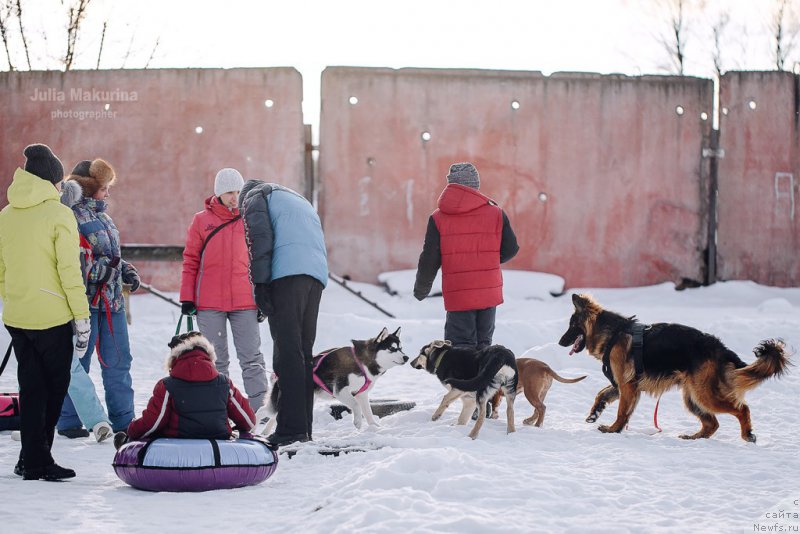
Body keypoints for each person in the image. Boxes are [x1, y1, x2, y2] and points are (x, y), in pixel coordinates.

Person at [0, 144, 90, 480]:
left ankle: (30, 458)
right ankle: (38, 460)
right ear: (50, 180)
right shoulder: (59, 214)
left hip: (18, 315)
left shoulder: (6, 215)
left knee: (31, 388)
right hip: (52, 317)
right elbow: (69, 271)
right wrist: (81, 318)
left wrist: (15, 298)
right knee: (53, 389)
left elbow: (2, 269)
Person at [239, 180, 328, 447]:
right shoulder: (295, 199)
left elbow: (260, 241)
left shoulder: (255, 197)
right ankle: (303, 428)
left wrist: (261, 285)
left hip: (286, 275)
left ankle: (290, 431)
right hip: (315, 276)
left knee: (287, 353)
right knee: (302, 354)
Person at [56, 158, 139, 437]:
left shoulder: (104, 217)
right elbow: (72, 260)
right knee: (79, 364)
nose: (107, 193)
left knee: (119, 362)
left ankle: (124, 421)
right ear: (89, 188)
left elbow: (114, 255)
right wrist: (101, 270)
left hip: (112, 303)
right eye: (103, 188)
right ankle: (69, 421)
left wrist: (126, 270)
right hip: (85, 304)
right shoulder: (70, 216)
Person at [179, 168, 268, 410]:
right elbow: (191, 260)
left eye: (239, 192)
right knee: (216, 362)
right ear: (218, 193)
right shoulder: (201, 221)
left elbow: (259, 260)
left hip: (245, 301)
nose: (235, 197)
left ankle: (260, 413)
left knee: (252, 359)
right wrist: (187, 297)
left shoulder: (250, 218)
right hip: (209, 302)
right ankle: (218, 411)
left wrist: (263, 298)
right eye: (230, 192)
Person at [414, 162, 519, 348]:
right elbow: (511, 248)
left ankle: (460, 378)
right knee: (484, 346)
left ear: (451, 185)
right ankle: (482, 378)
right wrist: (487, 261)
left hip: (458, 293)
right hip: (488, 290)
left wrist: (422, 288)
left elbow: (430, 258)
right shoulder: (496, 213)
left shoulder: (438, 218)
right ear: (475, 185)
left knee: (460, 347)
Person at [114, 331, 255, 447]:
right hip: (218, 441)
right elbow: (248, 420)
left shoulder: (167, 386)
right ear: (208, 355)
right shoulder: (224, 383)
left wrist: (131, 432)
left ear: (174, 358)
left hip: (178, 444)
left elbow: (153, 423)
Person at [58, 180, 114, 442]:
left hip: (61, 304)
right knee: (70, 368)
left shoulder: (73, 230)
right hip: (59, 305)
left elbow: (79, 272)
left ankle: (94, 420)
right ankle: (93, 419)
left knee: (66, 367)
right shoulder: (64, 225)